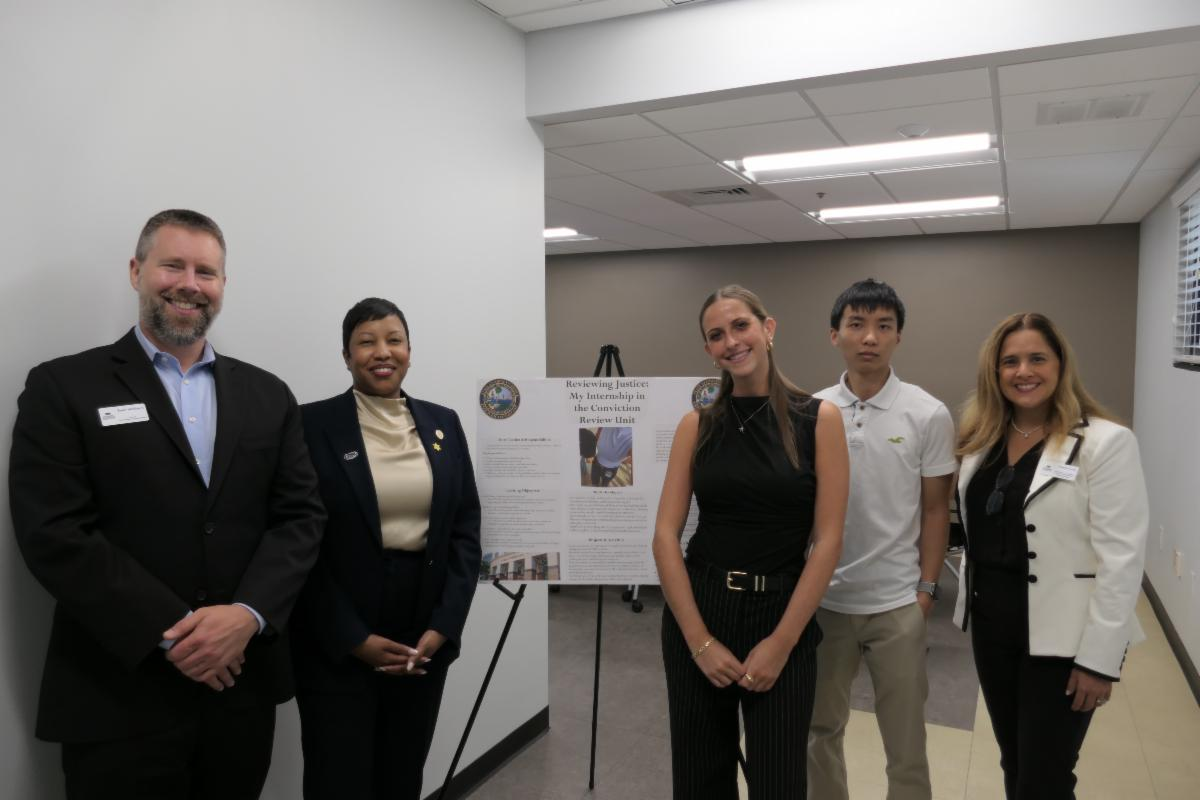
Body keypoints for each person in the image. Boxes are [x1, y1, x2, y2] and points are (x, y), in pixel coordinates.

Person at [8, 209, 326, 800]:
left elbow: (301, 518)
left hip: (239, 686)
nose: (189, 283)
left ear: (223, 286)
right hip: (118, 692)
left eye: (207, 271)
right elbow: (54, 532)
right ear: (136, 271)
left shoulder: (267, 394)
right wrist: (173, 632)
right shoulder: (63, 387)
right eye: (172, 265)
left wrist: (248, 614)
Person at [652, 284, 849, 799]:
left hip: (782, 611)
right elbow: (665, 538)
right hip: (702, 607)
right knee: (700, 779)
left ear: (768, 328)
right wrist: (699, 642)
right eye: (716, 335)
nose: (730, 342)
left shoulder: (817, 419)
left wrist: (781, 645)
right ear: (708, 350)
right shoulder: (698, 426)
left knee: (780, 781)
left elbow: (828, 540)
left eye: (740, 326)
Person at [289, 297, 482, 800]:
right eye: (366, 341)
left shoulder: (443, 423)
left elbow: (464, 526)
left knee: (402, 772)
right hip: (340, 629)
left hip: (422, 626)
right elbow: (299, 539)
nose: (382, 352)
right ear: (347, 354)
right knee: (338, 775)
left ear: (410, 350)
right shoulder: (311, 425)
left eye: (393, 339)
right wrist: (353, 638)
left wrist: (445, 624)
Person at [955, 312, 1149, 798]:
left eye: (1037, 358)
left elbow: (1122, 560)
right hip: (992, 630)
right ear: (994, 372)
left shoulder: (1105, 442)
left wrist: (1100, 661)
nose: (1024, 371)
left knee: (1045, 776)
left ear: (1061, 365)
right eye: (1010, 361)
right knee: (1015, 761)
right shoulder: (981, 440)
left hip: (1064, 644)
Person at [808, 279, 956, 800]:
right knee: (818, 733)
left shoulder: (927, 413)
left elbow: (936, 509)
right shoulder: (812, 410)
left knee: (906, 742)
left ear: (898, 336)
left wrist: (926, 590)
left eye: (883, 326)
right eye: (856, 324)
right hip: (825, 604)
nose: (869, 337)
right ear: (835, 335)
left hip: (897, 604)